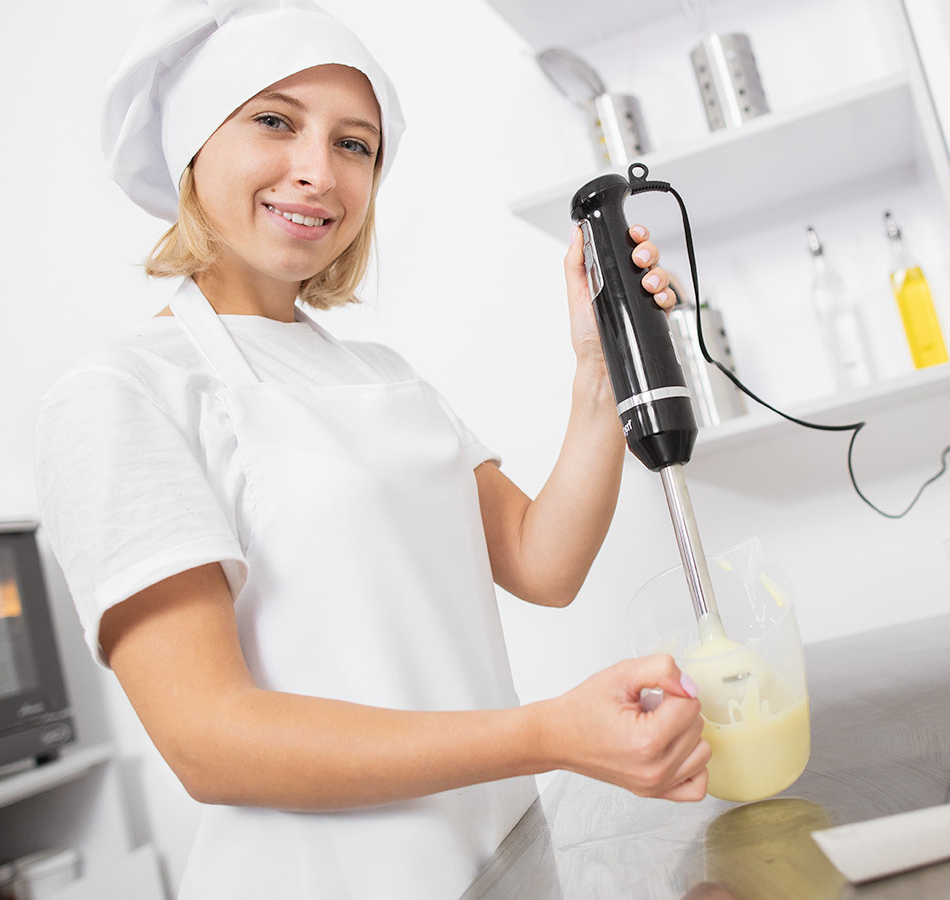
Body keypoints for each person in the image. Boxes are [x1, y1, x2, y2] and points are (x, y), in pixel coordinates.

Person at [34, 1, 711, 897]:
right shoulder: (124, 391)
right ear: (194, 150)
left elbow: (542, 563)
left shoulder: (382, 374)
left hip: (500, 863)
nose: (317, 171)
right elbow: (209, 741)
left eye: (356, 145)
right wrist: (549, 733)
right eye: (274, 121)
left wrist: (597, 372)